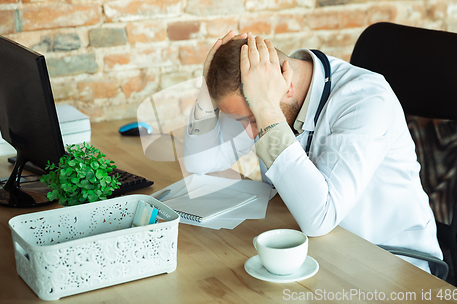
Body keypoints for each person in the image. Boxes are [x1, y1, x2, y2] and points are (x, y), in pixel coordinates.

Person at [182, 31, 443, 272]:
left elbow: (320, 218)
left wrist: (266, 112)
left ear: (288, 86)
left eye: (253, 120)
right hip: (323, 254)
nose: (252, 133)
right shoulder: (264, 92)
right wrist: (208, 91)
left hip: (392, 265)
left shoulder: (366, 100)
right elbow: (201, 162)